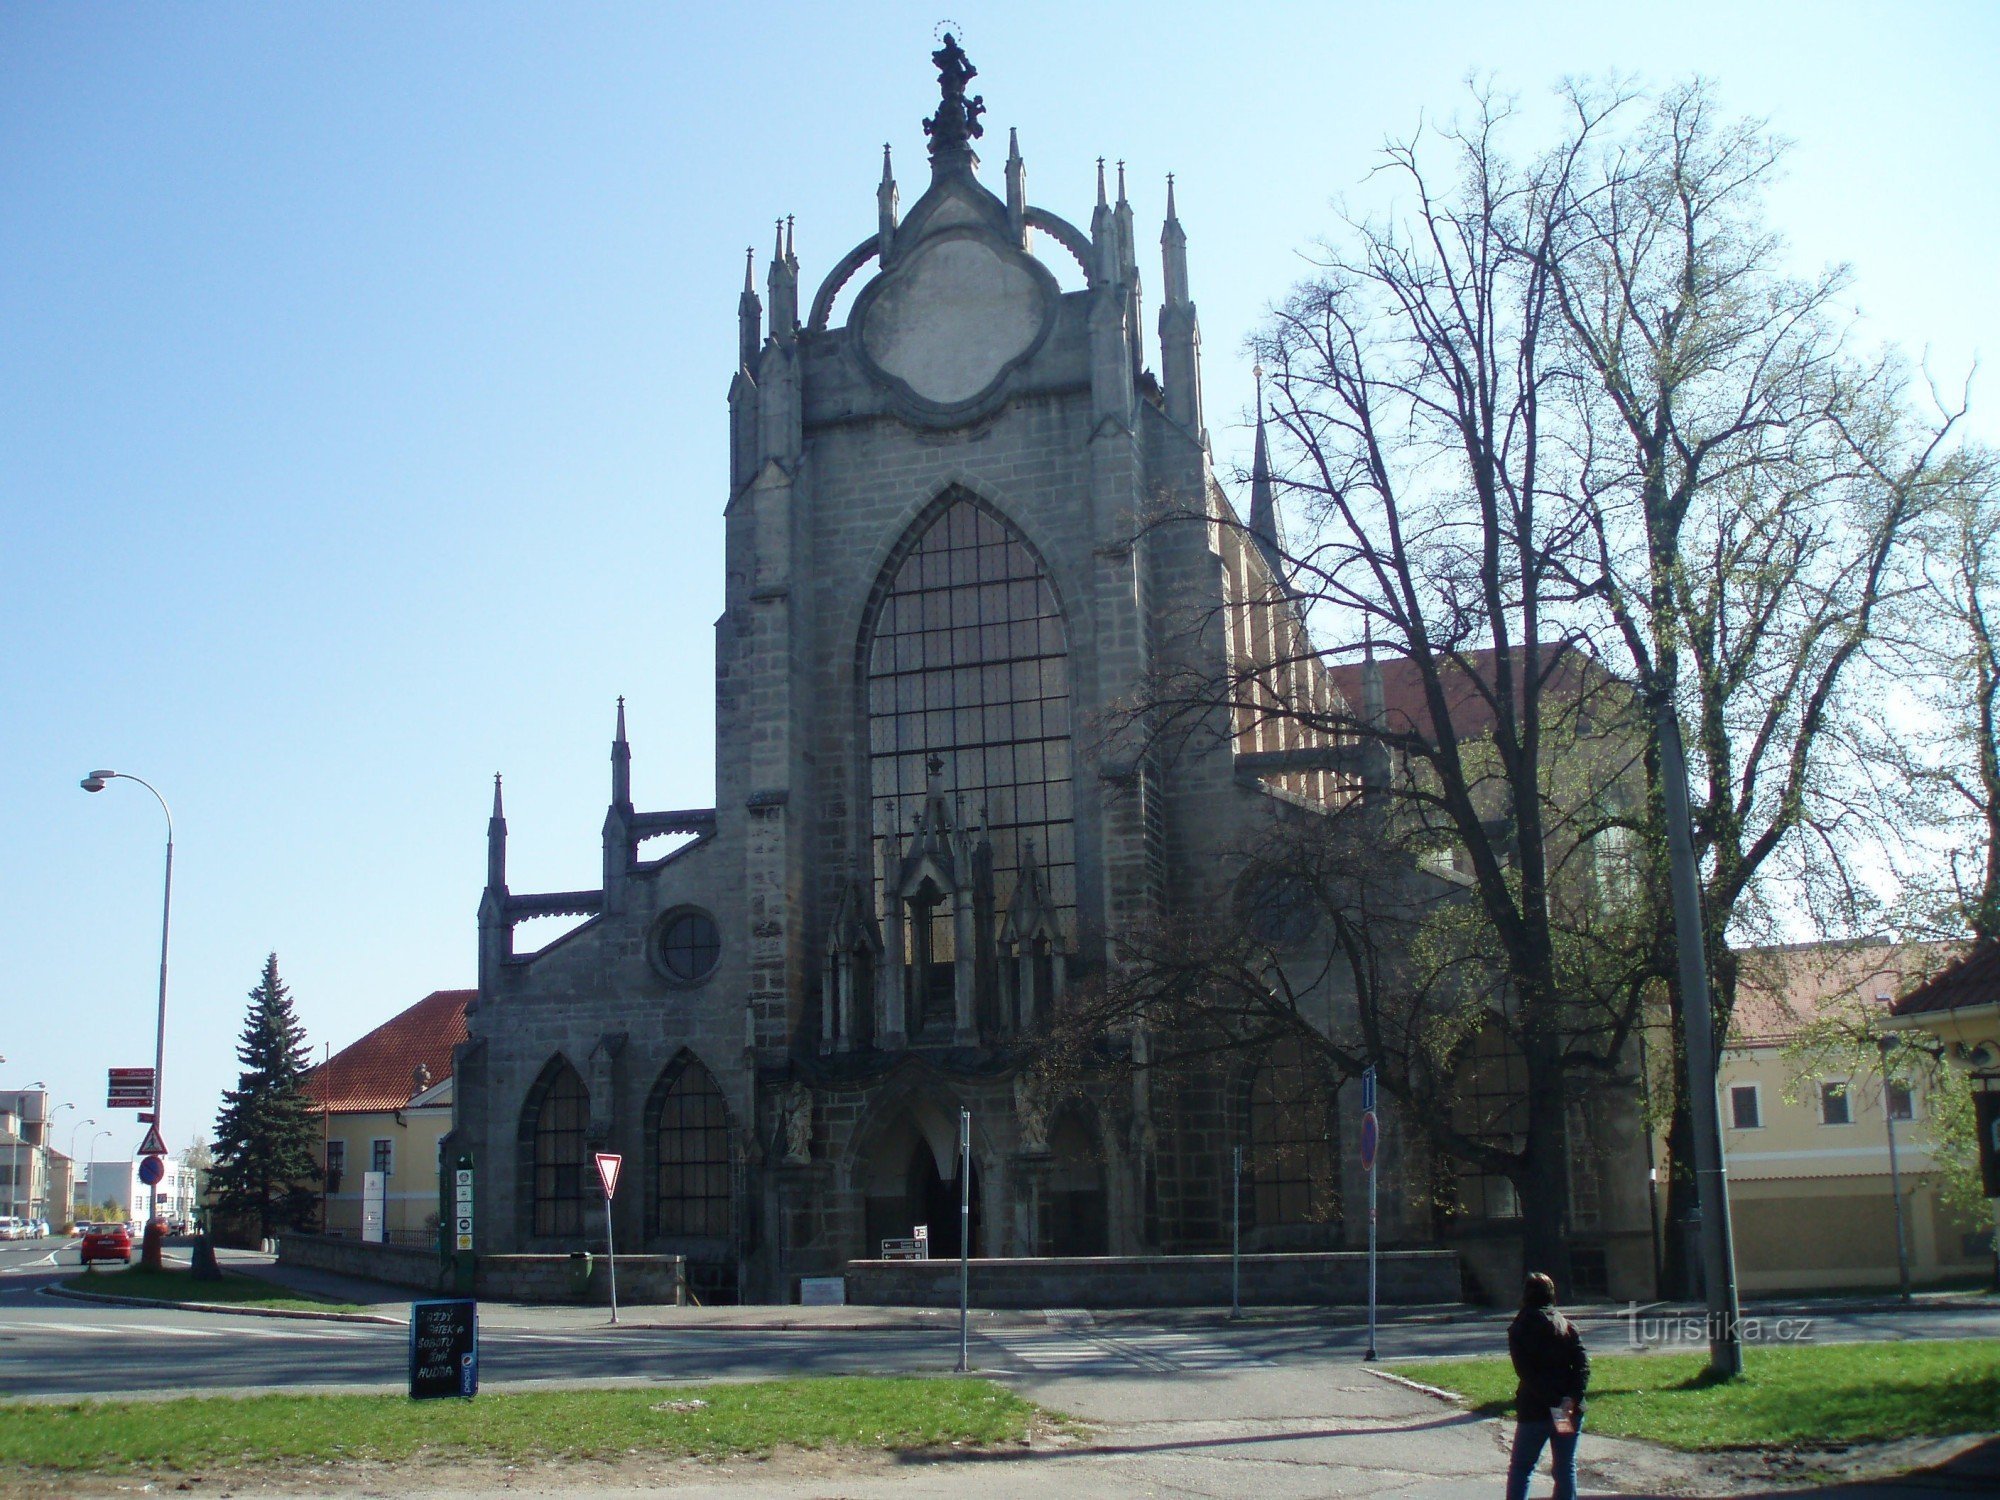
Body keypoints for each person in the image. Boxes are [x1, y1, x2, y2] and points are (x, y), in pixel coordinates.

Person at [1505, 1272, 1590, 1500]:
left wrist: (1554, 1400)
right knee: (1564, 1467)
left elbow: (1527, 1374)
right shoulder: (1566, 1326)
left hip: (1536, 1410)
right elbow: (1582, 1366)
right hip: (1564, 1410)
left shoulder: (1519, 1328)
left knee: (1522, 1467)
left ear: (1525, 1295)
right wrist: (1570, 1398)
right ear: (1552, 1295)